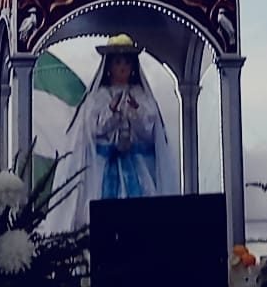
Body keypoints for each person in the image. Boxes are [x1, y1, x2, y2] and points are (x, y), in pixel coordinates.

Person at [46, 34, 178, 231]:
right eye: (117, 62)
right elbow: (93, 128)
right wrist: (112, 111)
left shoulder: (141, 95)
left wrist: (135, 111)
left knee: (142, 214)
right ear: (109, 66)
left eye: (126, 62)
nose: (122, 67)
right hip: (103, 166)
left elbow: (150, 131)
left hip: (138, 165)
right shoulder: (98, 97)